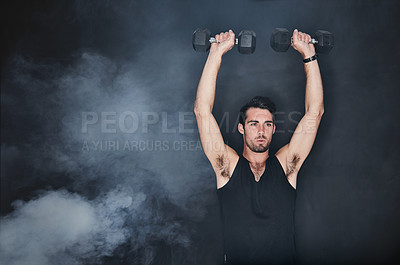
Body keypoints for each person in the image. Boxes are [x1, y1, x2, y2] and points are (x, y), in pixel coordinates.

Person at [194, 28, 324, 265]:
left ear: (274, 129)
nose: (261, 131)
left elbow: (315, 113)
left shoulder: (287, 166)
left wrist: (309, 54)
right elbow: (202, 112)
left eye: (267, 124)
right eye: (254, 124)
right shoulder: (227, 167)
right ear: (242, 128)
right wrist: (216, 53)